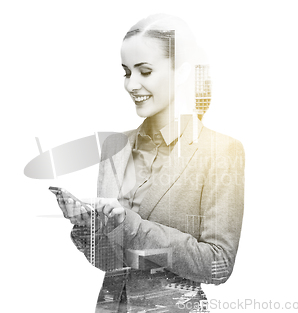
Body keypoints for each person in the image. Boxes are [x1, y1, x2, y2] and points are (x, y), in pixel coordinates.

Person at [54, 14, 245, 313]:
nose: (132, 85)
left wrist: (131, 226)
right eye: (127, 72)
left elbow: (218, 264)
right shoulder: (114, 148)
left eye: (145, 71)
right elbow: (109, 263)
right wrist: (87, 225)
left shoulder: (221, 151)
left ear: (181, 73)